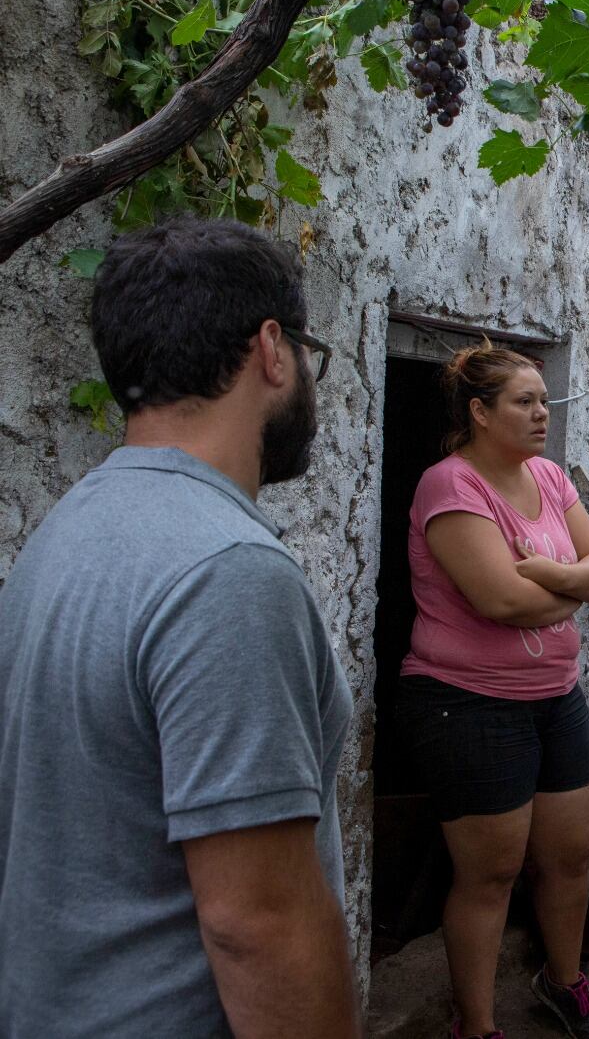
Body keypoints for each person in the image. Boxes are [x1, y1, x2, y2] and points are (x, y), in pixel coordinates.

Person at [0, 216, 359, 1035]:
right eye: (308, 354)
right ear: (273, 350)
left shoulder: (62, 534)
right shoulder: (229, 572)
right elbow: (257, 928)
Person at [397, 342, 589, 1039]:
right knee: (490, 877)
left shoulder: (549, 477)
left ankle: (564, 982)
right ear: (479, 412)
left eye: (544, 401)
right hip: (467, 702)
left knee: (568, 860)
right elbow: (498, 600)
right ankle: (478, 1023)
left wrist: (550, 579)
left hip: (556, 695)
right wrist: (570, 584)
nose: (541, 414)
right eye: (523, 402)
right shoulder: (450, 485)